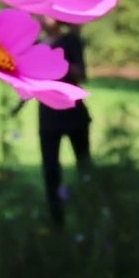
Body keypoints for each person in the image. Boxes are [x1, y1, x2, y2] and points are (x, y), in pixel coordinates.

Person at [38, 17, 91, 226]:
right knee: (51, 171)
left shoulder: (71, 41)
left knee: (84, 165)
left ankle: (89, 212)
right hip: (48, 117)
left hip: (74, 113)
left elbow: (82, 73)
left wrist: (56, 59)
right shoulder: (37, 44)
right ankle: (56, 219)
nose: (42, 18)